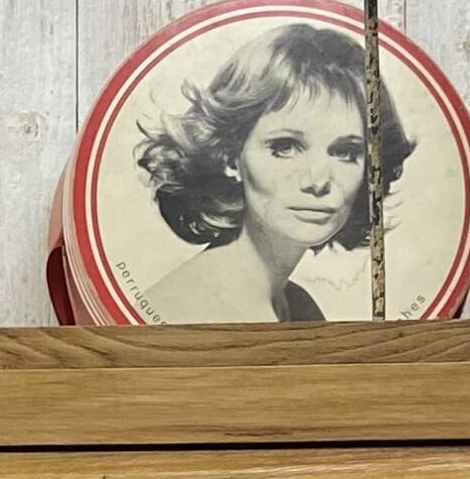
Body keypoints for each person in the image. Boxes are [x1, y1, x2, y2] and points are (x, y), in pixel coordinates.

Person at [131, 22, 413, 322]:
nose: (318, 181)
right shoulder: (185, 311)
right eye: (285, 146)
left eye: (346, 153)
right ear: (230, 157)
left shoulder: (299, 307)